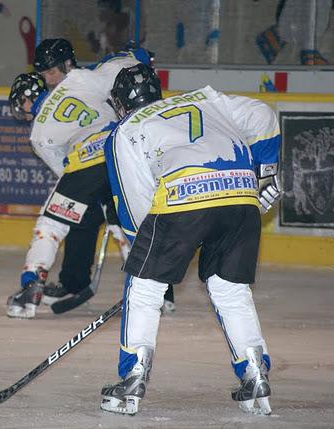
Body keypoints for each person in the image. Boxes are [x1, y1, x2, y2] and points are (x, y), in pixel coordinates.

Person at [101, 63, 281, 416]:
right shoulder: (205, 99)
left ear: (121, 103)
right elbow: (262, 114)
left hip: (182, 198)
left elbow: (136, 205)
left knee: (144, 288)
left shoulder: (127, 130)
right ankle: (254, 371)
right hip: (241, 196)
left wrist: (148, 262)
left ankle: (132, 379)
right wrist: (266, 171)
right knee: (230, 291)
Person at [31, 38, 176, 313]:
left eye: (52, 72)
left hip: (122, 157)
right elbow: (61, 163)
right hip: (101, 164)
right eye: (44, 75)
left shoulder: (93, 78)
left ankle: (160, 291)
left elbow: (134, 68)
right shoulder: (82, 84)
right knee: (81, 222)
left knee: (132, 221)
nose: (49, 80)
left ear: (68, 65)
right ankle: (73, 282)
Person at [6, 40, 148, 319]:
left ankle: (31, 287)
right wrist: (138, 54)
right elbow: (121, 65)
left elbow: (66, 171)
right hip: (121, 154)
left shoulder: (38, 134)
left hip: (85, 163)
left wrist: (84, 195)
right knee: (125, 223)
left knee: (51, 224)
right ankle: (155, 291)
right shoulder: (82, 78)